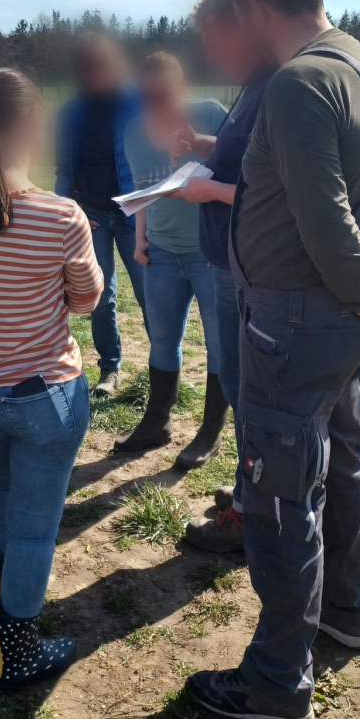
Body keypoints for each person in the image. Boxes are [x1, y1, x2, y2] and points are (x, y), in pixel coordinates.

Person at [186, 0, 360, 719]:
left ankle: (277, 684)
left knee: (280, 496)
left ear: (257, 7)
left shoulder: (297, 83)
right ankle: (345, 614)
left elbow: (326, 222)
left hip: (293, 328)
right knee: (343, 468)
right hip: (340, 333)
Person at [0, 68, 103, 690]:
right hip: (41, 397)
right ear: (31, 124)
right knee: (33, 524)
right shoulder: (61, 217)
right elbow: (86, 299)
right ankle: (21, 648)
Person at [176, 0, 277, 553]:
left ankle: (248, 514)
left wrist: (207, 187)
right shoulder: (254, 87)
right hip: (226, 259)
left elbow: (272, 193)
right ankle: (247, 491)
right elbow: (243, 154)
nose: (212, 56)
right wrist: (202, 144)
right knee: (238, 387)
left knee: (245, 391)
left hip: (244, 267)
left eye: (216, 41)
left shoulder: (275, 89)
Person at [115, 51, 230, 468]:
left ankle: (211, 432)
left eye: (166, 93)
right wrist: (140, 239)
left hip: (209, 254)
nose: (157, 103)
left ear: (181, 87)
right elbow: (143, 188)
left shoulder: (211, 114)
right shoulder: (132, 132)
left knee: (219, 342)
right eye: (148, 95)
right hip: (160, 252)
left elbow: (247, 162)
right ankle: (157, 422)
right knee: (162, 340)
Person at [55, 33, 147, 396]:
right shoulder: (71, 112)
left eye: (101, 65)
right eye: (86, 67)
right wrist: (68, 211)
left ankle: (164, 366)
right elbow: (63, 167)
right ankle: (109, 369)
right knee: (100, 296)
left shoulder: (137, 101)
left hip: (133, 214)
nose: (95, 73)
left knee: (148, 293)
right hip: (90, 214)